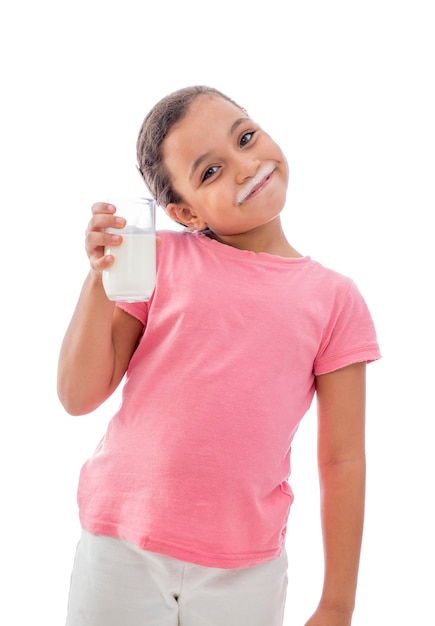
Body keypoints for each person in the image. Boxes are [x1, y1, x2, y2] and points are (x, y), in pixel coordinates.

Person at [58, 85, 381, 626]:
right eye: (209, 171)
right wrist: (99, 277)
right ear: (183, 211)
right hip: (119, 546)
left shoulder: (335, 300)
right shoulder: (154, 258)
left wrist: (337, 603)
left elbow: (343, 461)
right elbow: (77, 394)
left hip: (245, 570)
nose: (245, 166)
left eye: (246, 137)